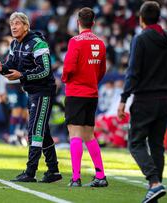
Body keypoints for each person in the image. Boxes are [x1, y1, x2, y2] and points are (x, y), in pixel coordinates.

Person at [117, 2, 167, 202]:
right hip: (166, 97)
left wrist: (124, 99)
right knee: (157, 145)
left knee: (135, 143)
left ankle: (154, 182)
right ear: (158, 17)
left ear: (141, 18)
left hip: (146, 99)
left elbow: (133, 72)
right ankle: (156, 189)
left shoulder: (140, 39)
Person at [1, 12, 62, 183]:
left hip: (43, 91)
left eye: (18, 23)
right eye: (12, 23)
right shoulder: (14, 44)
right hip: (32, 91)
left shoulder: (38, 43)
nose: (13, 26)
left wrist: (22, 75)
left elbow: (45, 70)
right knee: (43, 131)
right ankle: (53, 171)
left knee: (35, 130)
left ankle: (30, 172)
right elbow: (9, 65)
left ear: (26, 26)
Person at [61, 7, 108, 187]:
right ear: (93, 23)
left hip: (76, 92)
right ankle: (101, 176)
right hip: (92, 93)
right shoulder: (101, 43)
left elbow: (69, 68)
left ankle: (75, 178)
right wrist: (92, 80)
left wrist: (66, 79)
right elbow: (102, 70)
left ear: (78, 22)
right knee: (89, 135)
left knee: (75, 134)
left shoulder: (75, 42)